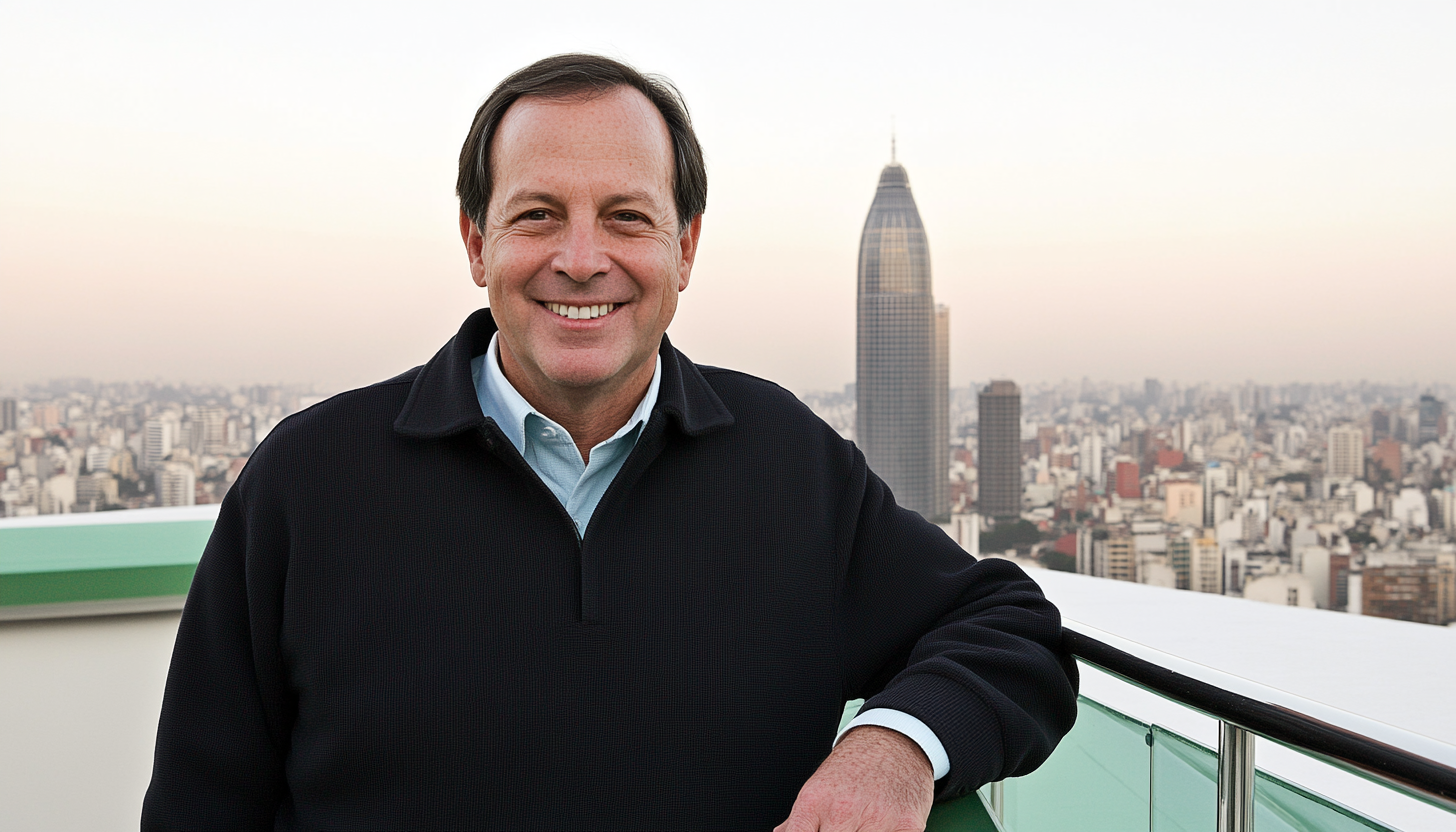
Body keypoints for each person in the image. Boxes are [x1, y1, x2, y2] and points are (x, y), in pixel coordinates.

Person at [142, 54, 1077, 831]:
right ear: (476, 242)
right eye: (537, 214)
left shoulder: (785, 463)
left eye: (627, 217)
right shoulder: (308, 481)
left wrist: (893, 746)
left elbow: (1012, 629)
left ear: (685, 249)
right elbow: (200, 803)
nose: (582, 259)